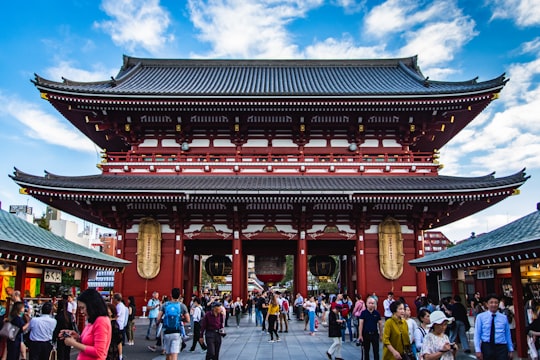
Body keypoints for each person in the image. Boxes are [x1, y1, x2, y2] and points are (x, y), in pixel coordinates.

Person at [62, 288, 112, 360]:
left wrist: (74, 344)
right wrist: (77, 337)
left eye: (83, 308)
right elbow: (89, 343)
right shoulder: (93, 321)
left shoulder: (101, 321)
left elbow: (99, 352)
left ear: (91, 305)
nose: (81, 312)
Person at [473, 293, 513, 360]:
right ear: (487, 304)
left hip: (501, 347)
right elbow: (477, 334)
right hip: (487, 346)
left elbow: (507, 334)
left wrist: (510, 349)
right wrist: (478, 350)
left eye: (496, 303)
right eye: (491, 302)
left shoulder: (503, 317)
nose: (493, 305)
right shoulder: (480, 317)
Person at [156, 288, 184, 360]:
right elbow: (188, 319)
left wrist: (159, 323)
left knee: (168, 354)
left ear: (171, 295)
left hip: (167, 331)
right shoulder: (181, 306)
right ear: (180, 296)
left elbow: (158, 318)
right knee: (174, 354)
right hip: (176, 332)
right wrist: (180, 319)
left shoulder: (165, 305)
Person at [358, 296, 383, 360]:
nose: (371, 305)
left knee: (376, 351)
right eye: (369, 303)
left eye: (372, 303)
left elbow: (380, 324)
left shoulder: (377, 313)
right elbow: (361, 324)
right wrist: (360, 335)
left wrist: (381, 335)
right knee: (366, 351)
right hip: (366, 334)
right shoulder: (363, 313)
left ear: (374, 304)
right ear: (366, 304)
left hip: (374, 334)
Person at [112, 293, 128, 360]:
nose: (112, 300)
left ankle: (119, 356)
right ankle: (119, 355)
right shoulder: (122, 305)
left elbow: (117, 316)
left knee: (117, 342)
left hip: (118, 325)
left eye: (113, 298)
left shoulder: (119, 306)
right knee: (118, 342)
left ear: (116, 299)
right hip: (121, 325)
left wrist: (110, 319)